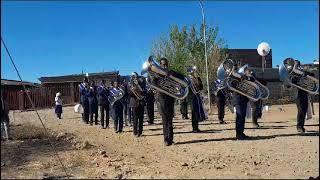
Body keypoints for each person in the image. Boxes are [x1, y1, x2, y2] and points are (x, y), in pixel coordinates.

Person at [150, 57, 181, 146]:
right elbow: (153, 84)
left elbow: (181, 77)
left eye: (166, 64)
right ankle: (166, 139)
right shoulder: (157, 74)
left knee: (170, 118)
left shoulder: (171, 73)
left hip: (171, 98)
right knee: (165, 119)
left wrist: (172, 74)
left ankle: (170, 138)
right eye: (163, 64)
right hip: (162, 98)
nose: (164, 66)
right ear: (160, 65)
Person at [187, 66, 205, 132]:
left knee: (197, 111)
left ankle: (196, 127)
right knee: (193, 111)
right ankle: (194, 128)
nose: (193, 72)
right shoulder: (187, 79)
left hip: (197, 96)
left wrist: (197, 80)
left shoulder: (197, 78)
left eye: (193, 71)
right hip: (191, 97)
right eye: (192, 71)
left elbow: (201, 87)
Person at [128, 72, 146, 137]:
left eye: (136, 77)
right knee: (135, 119)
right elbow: (129, 95)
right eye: (133, 77)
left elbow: (144, 92)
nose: (135, 78)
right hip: (134, 103)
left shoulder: (142, 84)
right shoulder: (130, 85)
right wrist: (132, 90)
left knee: (141, 119)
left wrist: (138, 86)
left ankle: (140, 132)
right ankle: (135, 132)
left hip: (141, 103)